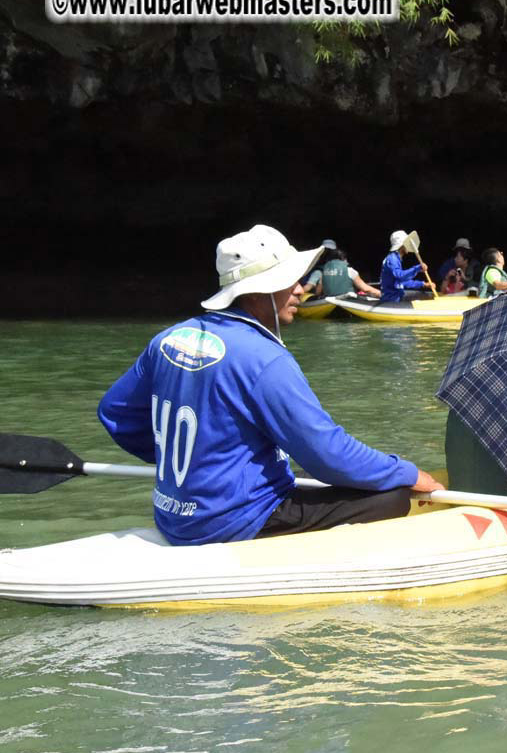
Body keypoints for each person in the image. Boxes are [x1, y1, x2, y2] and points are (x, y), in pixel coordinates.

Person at [97, 224, 443, 546]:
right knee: (393, 496)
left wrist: (191, 463)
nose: (298, 289)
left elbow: (116, 414)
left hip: (173, 518)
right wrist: (408, 472)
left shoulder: (169, 338)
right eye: (288, 280)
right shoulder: (266, 359)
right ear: (255, 293)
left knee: (310, 473)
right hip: (236, 522)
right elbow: (327, 454)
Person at [304, 239, 381, 298]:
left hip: (328, 301)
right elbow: (366, 288)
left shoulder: (323, 272)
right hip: (347, 302)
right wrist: (382, 294)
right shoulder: (350, 271)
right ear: (344, 259)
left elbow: (318, 292)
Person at [379, 230, 430, 302]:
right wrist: (417, 268)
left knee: (427, 296)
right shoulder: (392, 259)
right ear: (402, 245)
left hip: (398, 296)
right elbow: (400, 276)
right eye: (406, 243)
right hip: (392, 299)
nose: (408, 245)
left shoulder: (396, 258)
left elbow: (402, 282)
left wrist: (423, 284)